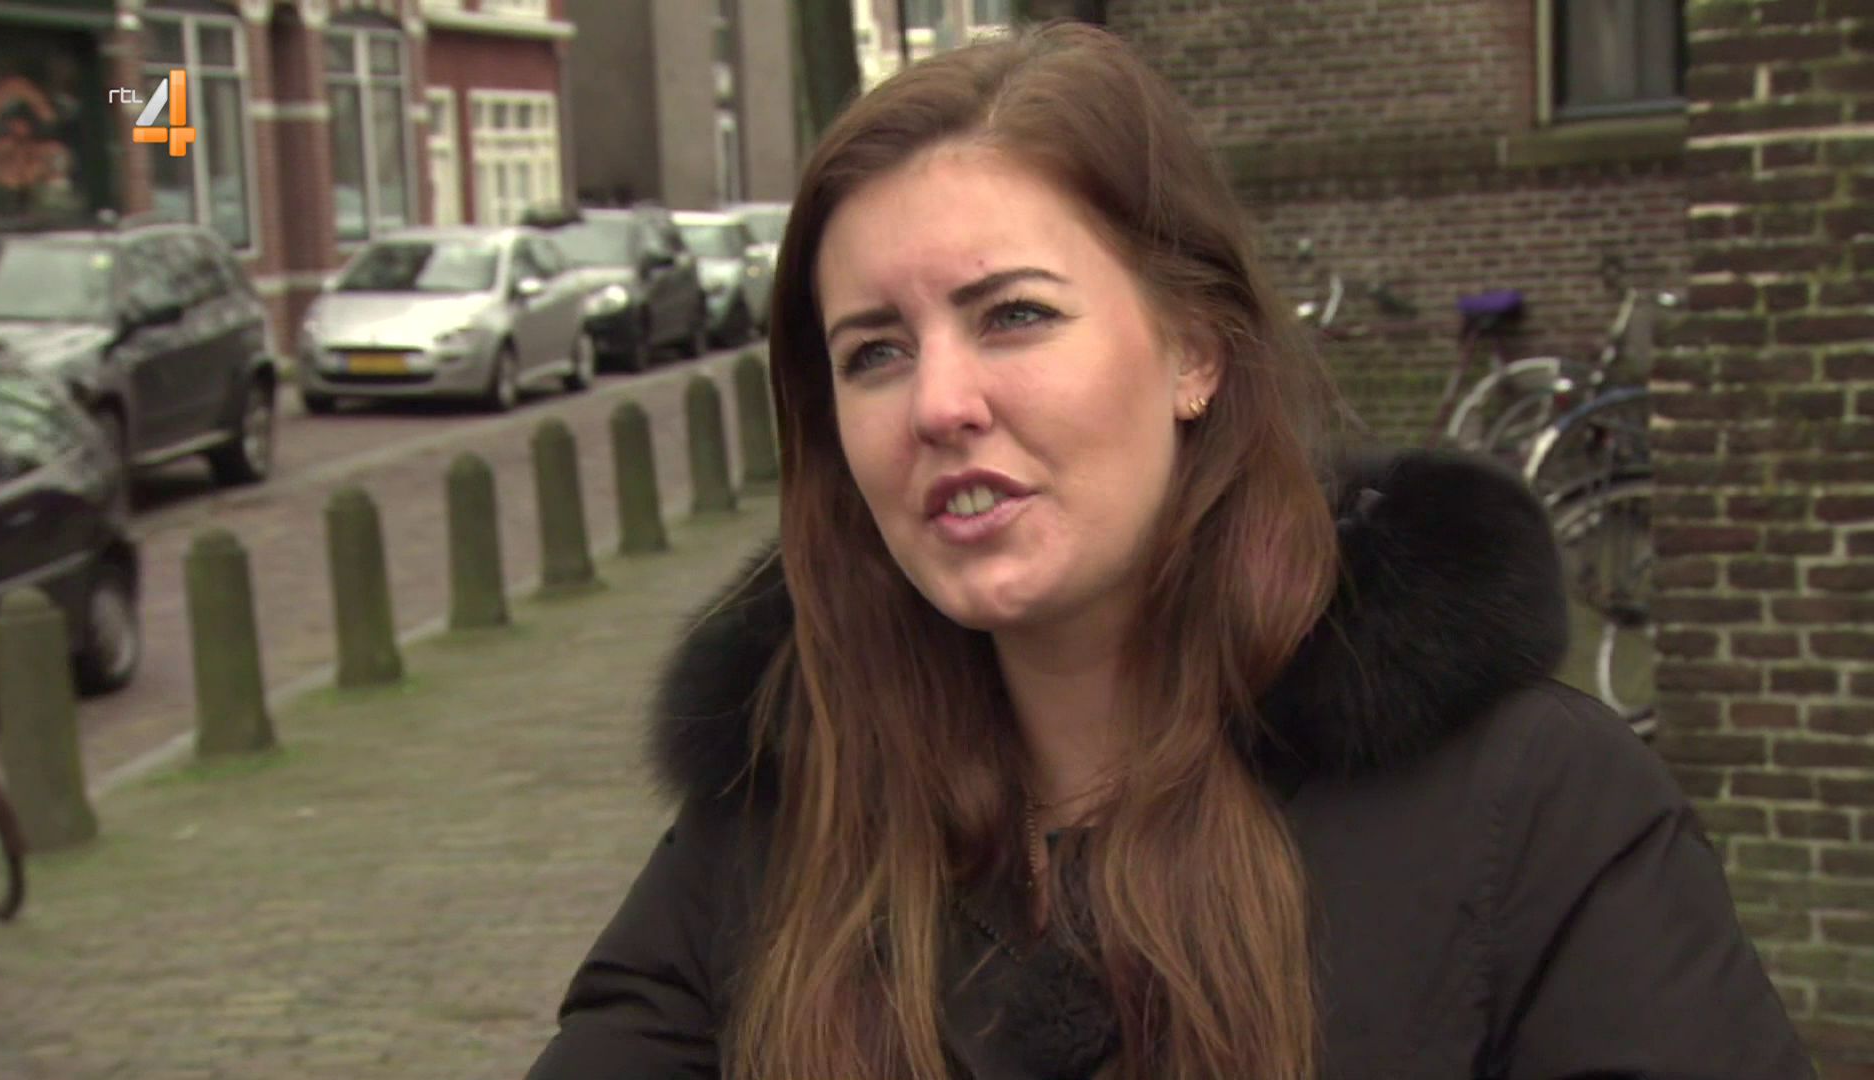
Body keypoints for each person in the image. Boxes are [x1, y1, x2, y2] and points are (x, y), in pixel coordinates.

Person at [526, 22, 1811, 1080]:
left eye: (1013, 315)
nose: (939, 403)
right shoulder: (778, 809)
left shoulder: (1529, 805)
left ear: (1193, 350)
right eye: (875, 352)